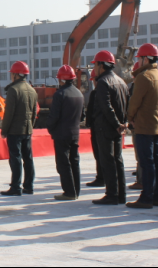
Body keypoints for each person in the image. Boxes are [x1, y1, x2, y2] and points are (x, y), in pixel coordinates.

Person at [126, 44, 158, 209]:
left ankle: (146, 197)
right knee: (157, 161)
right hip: (157, 125)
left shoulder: (144, 77)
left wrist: (129, 117)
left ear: (145, 59)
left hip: (144, 125)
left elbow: (135, 101)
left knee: (146, 162)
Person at [91, 50, 129, 206]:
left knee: (108, 161)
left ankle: (112, 194)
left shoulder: (103, 82)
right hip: (117, 128)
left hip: (106, 127)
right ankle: (121, 194)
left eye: (96, 65)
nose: (95, 69)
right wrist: (123, 123)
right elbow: (127, 104)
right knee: (118, 160)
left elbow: (106, 107)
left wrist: (116, 123)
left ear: (101, 65)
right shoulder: (121, 82)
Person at [0, 61, 38, 196]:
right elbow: (34, 113)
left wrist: (4, 130)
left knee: (15, 158)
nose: (11, 76)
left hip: (15, 131)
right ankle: (29, 186)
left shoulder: (13, 90)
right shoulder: (32, 90)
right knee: (28, 158)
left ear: (16, 75)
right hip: (27, 130)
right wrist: (30, 126)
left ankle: (16, 187)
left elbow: (9, 113)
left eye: (12, 74)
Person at [47, 65, 84, 201]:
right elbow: (82, 116)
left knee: (63, 163)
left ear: (61, 80)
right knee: (74, 161)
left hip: (62, 134)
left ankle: (69, 192)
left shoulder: (60, 94)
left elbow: (54, 116)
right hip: (75, 133)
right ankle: (76, 191)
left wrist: (50, 128)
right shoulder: (79, 93)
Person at [85, 70, 105, 187]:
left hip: (98, 127)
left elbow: (90, 112)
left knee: (99, 153)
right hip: (110, 127)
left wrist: (88, 123)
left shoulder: (95, 93)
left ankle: (101, 177)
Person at [129, 61, 144, 191]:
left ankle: (141, 180)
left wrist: (130, 118)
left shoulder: (139, 83)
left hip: (139, 123)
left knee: (141, 154)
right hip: (152, 124)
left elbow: (134, 103)